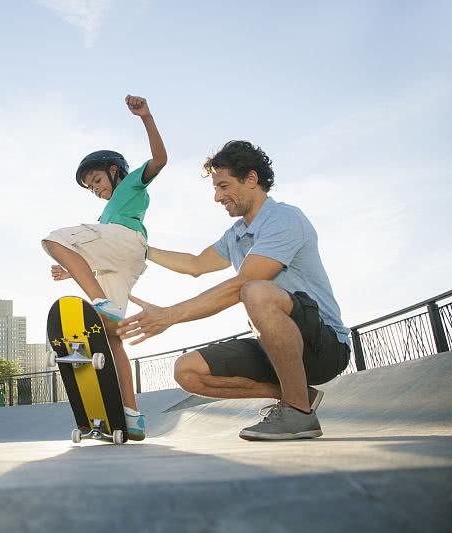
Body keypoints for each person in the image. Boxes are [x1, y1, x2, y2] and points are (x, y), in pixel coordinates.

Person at [116, 140, 350, 441]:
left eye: (224, 186)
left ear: (251, 179)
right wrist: (141, 249)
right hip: (274, 345)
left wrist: (169, 316)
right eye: (216, 188)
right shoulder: (236, 234)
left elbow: (242, 285)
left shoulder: (284, 219)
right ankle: (298, 394)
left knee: (254, 290)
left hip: (323, 344)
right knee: (187, 371)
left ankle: (298, 413)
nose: (217, 197)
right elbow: (196, 264)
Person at [42, 95, 167, 441]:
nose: (96, 190)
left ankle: (100, 302)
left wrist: (146, 117)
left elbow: (160, 159)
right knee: (112, 338)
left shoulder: (130, 184)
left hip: (127, 241)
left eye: (96, 181)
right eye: (90, 187)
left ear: (113, 171)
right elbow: (101, 254)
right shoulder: (104, 217)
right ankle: (132, 416)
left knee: (53, 240)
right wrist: (70, 271)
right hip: (125, 261)